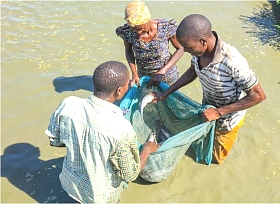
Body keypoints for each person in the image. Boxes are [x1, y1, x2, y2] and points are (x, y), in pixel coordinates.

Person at [152, 14, 266, 165]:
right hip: (208, 107)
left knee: (215, 158)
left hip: (228, 118)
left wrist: (219, 112)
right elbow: (192, 72)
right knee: (204, 139)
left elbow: (258, 96)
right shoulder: (199, 52)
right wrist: (166, 93)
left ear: (203, 41)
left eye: (188, 48)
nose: (185, 51)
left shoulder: (231, 61)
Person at [45, 61, 160, 203]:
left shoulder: (68, 105)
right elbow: (130, 174)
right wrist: (147, 149)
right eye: (127, 84)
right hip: (101, 195)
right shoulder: (121, 129)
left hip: (71, 183)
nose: (129, 85)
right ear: (119, 90)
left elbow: (54, 141)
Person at [115, 0, 184, 87]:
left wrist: (162, 72)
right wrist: (134, 74)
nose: (139, 32)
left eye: (142, 28)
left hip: (167, 75)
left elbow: (180, 49)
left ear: (148, 20)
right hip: (144, 77)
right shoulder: (127, 32)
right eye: (134, 29)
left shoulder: (165, 27)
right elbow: (129, 51)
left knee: (170, 98)